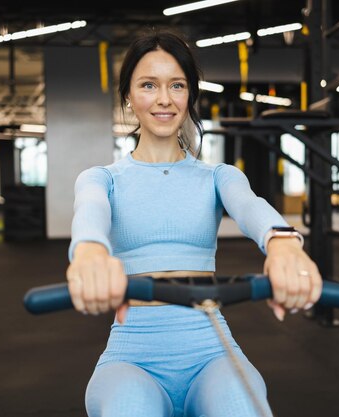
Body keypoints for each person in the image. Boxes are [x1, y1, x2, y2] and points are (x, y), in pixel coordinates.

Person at [66, 30, 322, 417]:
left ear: (190, 96)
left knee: (244, 408)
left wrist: (284, 243)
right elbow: (90, 213)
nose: (164, 99)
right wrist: (88, 254)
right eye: (148, 85)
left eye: (177, 86)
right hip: (133, 356)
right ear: (129, 97)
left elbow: (251, 206)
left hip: (210, 351)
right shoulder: (102, 178)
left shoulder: (218, 176)